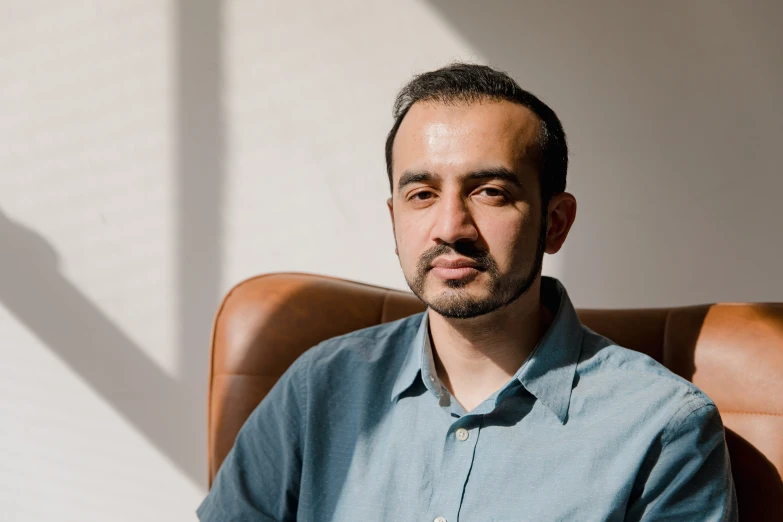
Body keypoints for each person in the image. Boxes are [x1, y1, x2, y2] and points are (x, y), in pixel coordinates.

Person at [197, 63, 737, 521]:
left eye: (490, 192)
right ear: (395, 219)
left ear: (555, 222)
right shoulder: (318, 388)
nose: (449, 226)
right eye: (422, 193)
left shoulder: (663, 426)